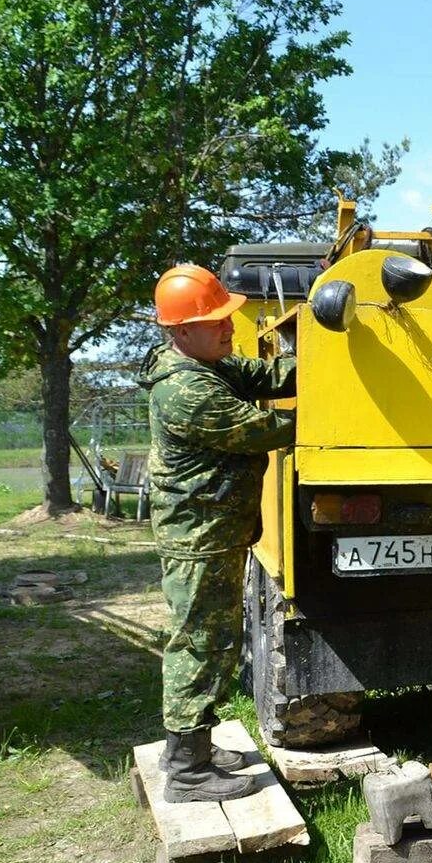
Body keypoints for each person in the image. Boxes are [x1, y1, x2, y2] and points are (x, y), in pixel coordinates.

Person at [139, 263, 297, 803]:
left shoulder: (206, 365)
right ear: (181, 330)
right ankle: (187, 772)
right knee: (202, 643)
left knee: (210, 640)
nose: (231, 327)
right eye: (215, 321)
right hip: (200, 534)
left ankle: (192, 747)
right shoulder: (188, 391)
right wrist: (340, 415)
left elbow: (263, 378)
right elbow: (265, 430)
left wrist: (318, 365)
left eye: (228, 317)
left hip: (213, 528)